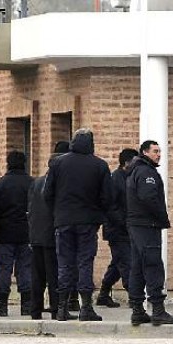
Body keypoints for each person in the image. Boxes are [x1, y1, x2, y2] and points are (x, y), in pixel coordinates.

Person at [43, 128, 113, 322]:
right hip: (88, 222)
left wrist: (57, 213)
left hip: (63, 221)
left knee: (64, 263)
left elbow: (47, 194)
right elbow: (107, 197)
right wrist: (98, 214)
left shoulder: (58, 163)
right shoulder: (99, 166)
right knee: (85, 262)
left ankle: (62, 308)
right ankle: (86, 307)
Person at [126, 140, 173, 326]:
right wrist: (162, 218)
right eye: (155, 151)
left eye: (159, 151)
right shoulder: (146, 172)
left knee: (138, 267)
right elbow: (149, 198)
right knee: (153, 266)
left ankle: (137, 310)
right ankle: (157, 310)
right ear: (144, 152)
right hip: (147, 225)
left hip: (136, 225)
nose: (159, 155)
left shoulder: (135, 170)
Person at [0, 151, 34, 317]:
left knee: (3, 269)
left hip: (4, 233)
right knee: (25, 268)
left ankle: (2, 305)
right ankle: (27, 305)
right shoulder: (31, 183)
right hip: (26, 232)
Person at [27, 142, 69, 321]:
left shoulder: (36, 182)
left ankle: (35, 310)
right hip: (51, 235)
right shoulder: (58, 184)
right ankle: (55, 309)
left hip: (36, 234)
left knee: (38, 276)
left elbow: (30, 208)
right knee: (54, 275)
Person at [97, 148, 139, 308]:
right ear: (126, 163)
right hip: (117, 229)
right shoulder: (115, 179)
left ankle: (103, 294)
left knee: (118, 262)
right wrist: (123, 223)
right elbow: (111, 206)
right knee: (127, 262)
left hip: (126, 228)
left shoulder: (130, 177)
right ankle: (135, 298)